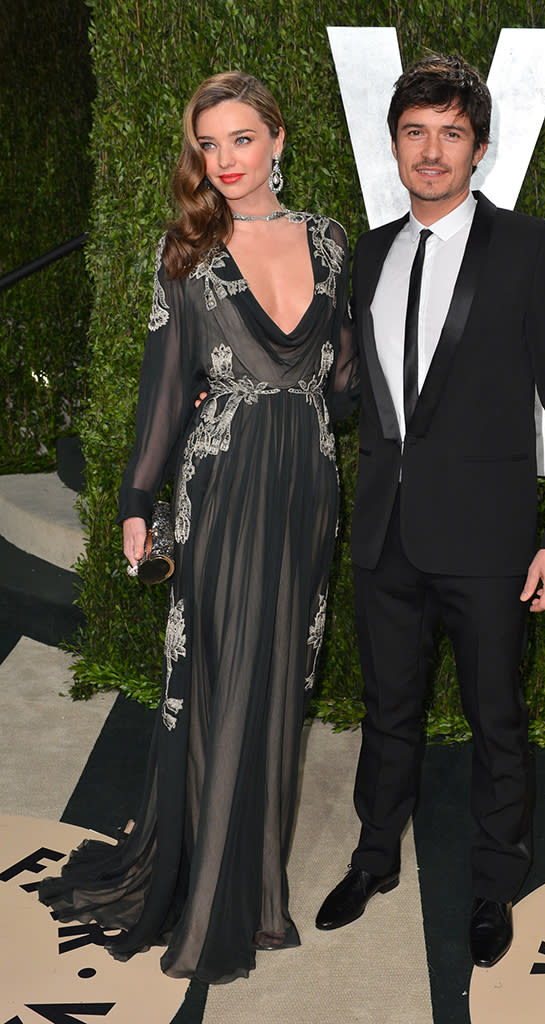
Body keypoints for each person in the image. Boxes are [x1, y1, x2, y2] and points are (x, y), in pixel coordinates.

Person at [38, 70, 355, 984]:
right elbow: (164, 392)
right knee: (220, 675)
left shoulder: (331, 242)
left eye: (241, 140)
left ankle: (257, 892)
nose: (223, 161)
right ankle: (211, 894)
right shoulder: (186, 253)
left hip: (307, 487)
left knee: (281, 684)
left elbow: (341, 386)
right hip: (220, 485)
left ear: (279, 139)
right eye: (208, 145)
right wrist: (137, 505)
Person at [315, 54, 545, 968]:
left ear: (479, 148)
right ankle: (372, 859)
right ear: (394, 143)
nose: (431, 152)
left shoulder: (528, 247)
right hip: (387, 534)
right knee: (387, 712)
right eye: (415, 133)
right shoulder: (371, 250)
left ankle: (492, 883)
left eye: (450, 134)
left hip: (488, 540)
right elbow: (359, 390)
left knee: (495, 720)